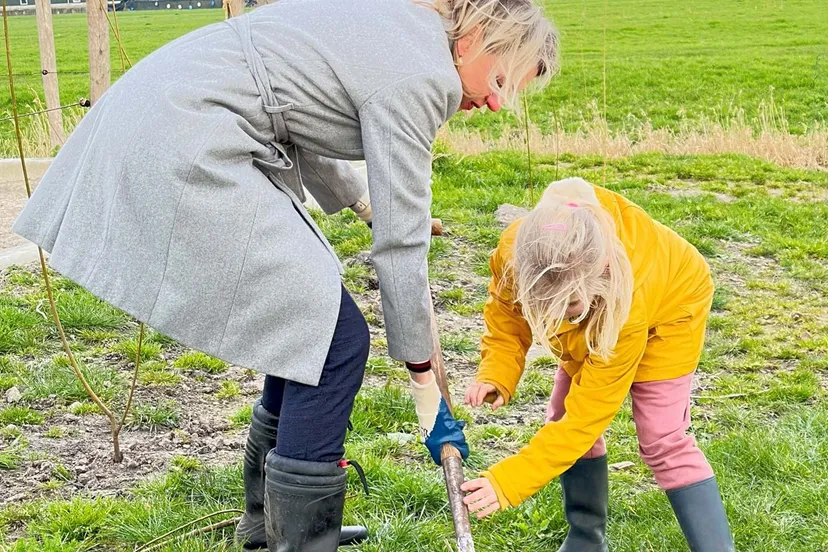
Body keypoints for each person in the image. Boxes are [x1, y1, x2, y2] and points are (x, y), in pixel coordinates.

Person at [12, 0, 558, 549]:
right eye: (500, 79)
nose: (494, 102)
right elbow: (400, 247)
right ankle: (298, 541)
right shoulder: (424, 72)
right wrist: (423, 382)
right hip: (191, 131)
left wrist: (364, 203)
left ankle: (268, 528)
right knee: (336, 341)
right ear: (477, 37)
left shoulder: (399, 31)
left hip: (168, 108)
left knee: (310, 325)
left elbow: (301, 111)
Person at [462, 177, 735, 551]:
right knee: (560, 413)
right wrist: (498, 371)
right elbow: (507, 317)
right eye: (542, 307)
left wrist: (511, 480)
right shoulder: (518, 250)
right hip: (601, 307)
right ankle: (586, 541)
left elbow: (587, 416)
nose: (553, 318)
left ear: (602, 272)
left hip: (672, 305)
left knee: (662, 437)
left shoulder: (630, 297)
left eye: (566, 309)